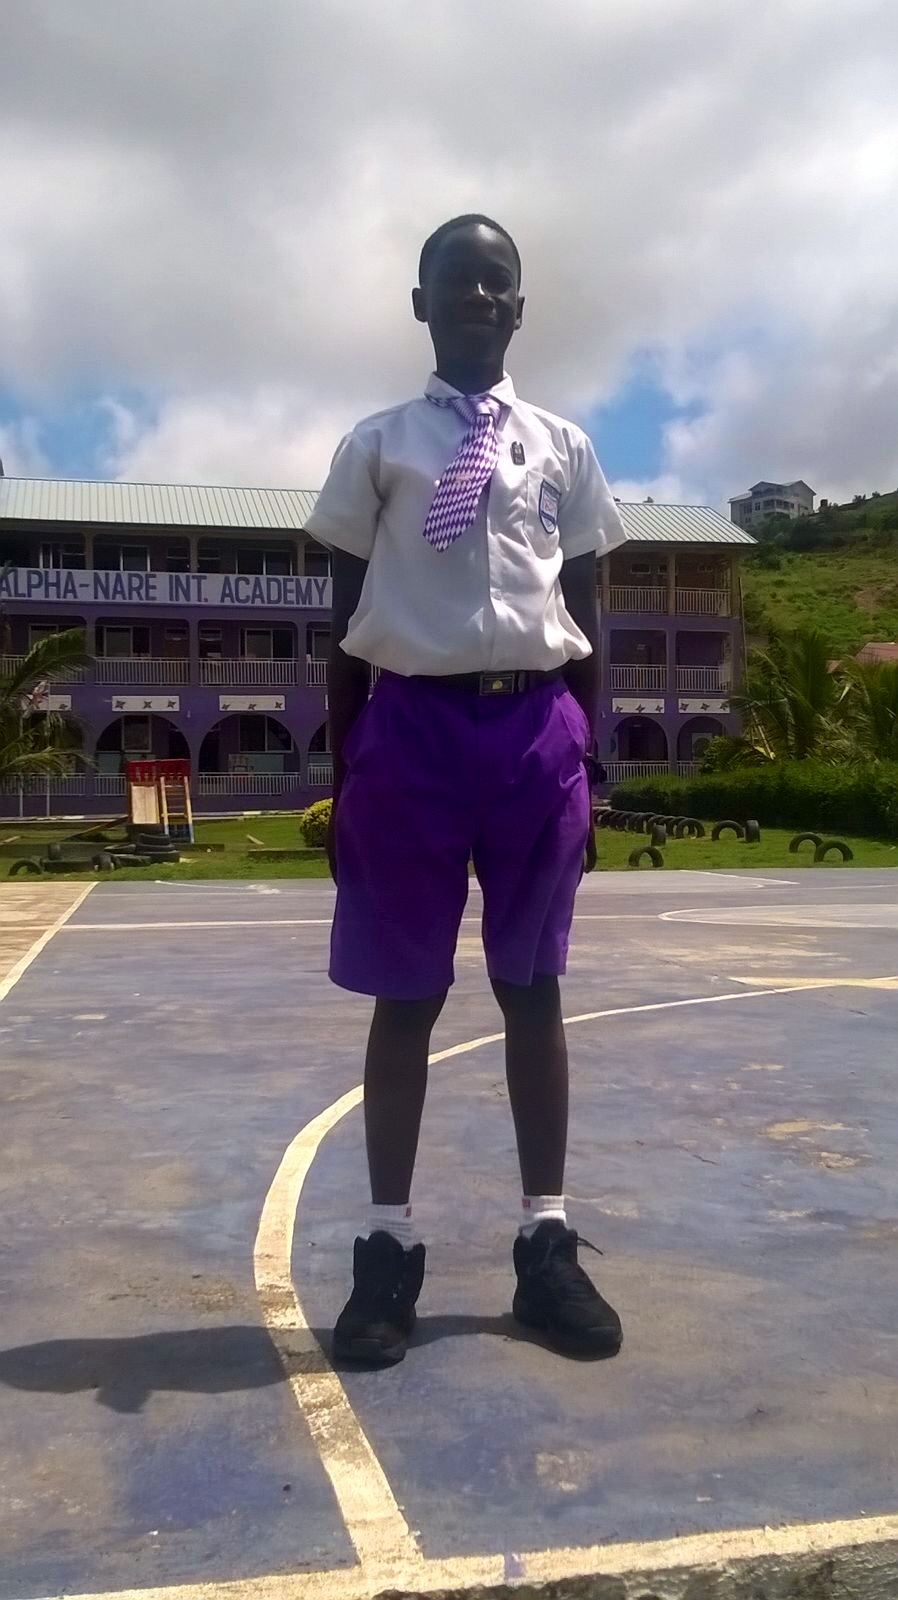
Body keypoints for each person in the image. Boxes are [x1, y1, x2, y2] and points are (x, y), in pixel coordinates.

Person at [304, 214, 626, 1365]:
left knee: (533, 985)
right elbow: (343, 622)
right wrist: (345, 772)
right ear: (421, 303)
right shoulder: (376, 447)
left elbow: (585, 609)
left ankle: (546, 1242)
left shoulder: (563, 447)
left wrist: (590, 756)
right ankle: (387, 1248)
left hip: (536, 729)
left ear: (520, 309)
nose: (480, 298)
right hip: (410, 731)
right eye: (458, 282)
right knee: (407, 992)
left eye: (498, 284)